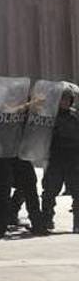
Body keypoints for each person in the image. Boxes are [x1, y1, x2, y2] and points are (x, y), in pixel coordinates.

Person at [42, 86, 79, 232]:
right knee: (50, 191)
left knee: (77, 192)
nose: (64, 102)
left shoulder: (75, 117)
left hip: (73, 159)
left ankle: (77, 223)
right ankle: (46, 220)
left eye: (67, 99)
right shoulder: (50, 117)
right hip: (56, 159)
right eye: (62, 99)